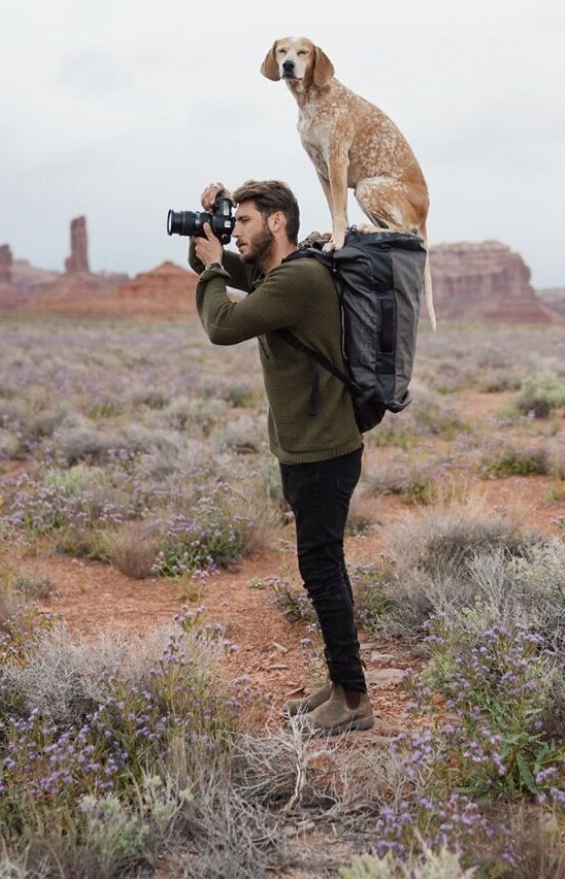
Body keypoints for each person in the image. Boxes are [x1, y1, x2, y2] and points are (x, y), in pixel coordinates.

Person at [187, 178, 374, 735]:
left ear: (276, 222)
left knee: (322, 571)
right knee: (323, 569)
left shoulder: (298, 279)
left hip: (322, 451)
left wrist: (217, 264)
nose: (236, 232)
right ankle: (342, 683)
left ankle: (354, 699)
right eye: (233, 222)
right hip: (309, 447)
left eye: (243, 221)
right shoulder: (280, 274)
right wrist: (210, 227)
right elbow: (211, 271)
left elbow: (222, 325)